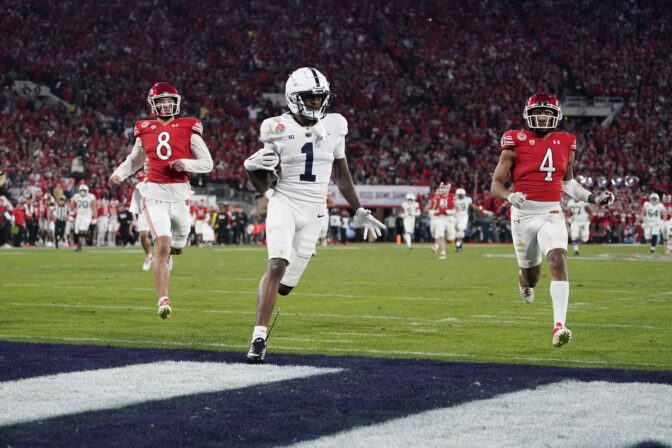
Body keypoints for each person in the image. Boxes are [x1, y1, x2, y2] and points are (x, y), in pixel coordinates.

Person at [243, 67, 385, 363]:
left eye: (320, 98)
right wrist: (252, 170)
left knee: (284, 287)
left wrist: (358, 208)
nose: (316, 104)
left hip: (316, 211)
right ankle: (258, 337)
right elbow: (263, 184)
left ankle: (270, 297)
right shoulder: (275, 128)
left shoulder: (335, 125)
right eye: (309, 98)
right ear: (293, 98)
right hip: (285, 201)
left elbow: (342, 176)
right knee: (276, 264)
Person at [491, 92, 615, 347]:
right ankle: (523, 281)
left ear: (556, 117)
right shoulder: (515, 140)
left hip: (551, 212)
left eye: (548, 115)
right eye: (539, 114)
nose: (543, 119)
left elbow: (568, 183)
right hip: (523, 215)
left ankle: (559, 326)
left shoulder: (566, 142)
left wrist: (593, 198)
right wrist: (509, 195)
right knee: (532, 276)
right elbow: (495, 184)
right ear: (529, 115)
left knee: (558, 260)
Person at [108, 82, 213, 318]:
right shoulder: (144, 128)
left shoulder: (189, 126)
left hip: (180, 194)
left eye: (169, 101)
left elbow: (207, 164)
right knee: (162, 246)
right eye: (161, 101)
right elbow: (134, 160)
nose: (166, 105)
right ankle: (163, 299)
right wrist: (118, 174)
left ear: (176, 102)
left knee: (177, 247)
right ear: (153, 104)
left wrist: (185, 163)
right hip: (154, 193)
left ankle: (167, 259)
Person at [129, 170, 153, 270]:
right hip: (144, 212)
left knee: (162, 237)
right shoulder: (138, 189)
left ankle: (167, 256)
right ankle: (148, 255)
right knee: (143, 234)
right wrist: (135, 218)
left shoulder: (155, 185)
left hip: (157, 210)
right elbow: (135, 204)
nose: (140, 182)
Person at [425, 183, 455, 259]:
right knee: (439, 234)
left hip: (448, 219)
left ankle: (437, 245)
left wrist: (451, 212)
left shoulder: (452, 197)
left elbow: (457, 208)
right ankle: (442, 252)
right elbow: (426, 209)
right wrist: (432, 211)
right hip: (437, 219)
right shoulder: (435, 199)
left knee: (450, 237)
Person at [71, 184, 97, 252]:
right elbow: (72, 205)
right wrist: (71, 214)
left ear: (87, 191)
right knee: (76, 231)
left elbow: (94, 207)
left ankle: (79, 246)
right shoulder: (76, 196)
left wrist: (95, 217)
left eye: (84, 190)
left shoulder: (91, 196)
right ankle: (80, 244)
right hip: (79, 216)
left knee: (82, 231)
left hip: (87, 216)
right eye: (81, 190)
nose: (83, 192)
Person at [454, 187, 478, 252]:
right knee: (455, 232)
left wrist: (479, 210)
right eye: (459, 195)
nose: (460, 196)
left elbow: (472, 206)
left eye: (461, 195)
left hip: (463, 217)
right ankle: (459, 245)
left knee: (460, 231)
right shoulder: (454, 199)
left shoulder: (467, 199)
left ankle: (458, 244)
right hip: (454, 217)